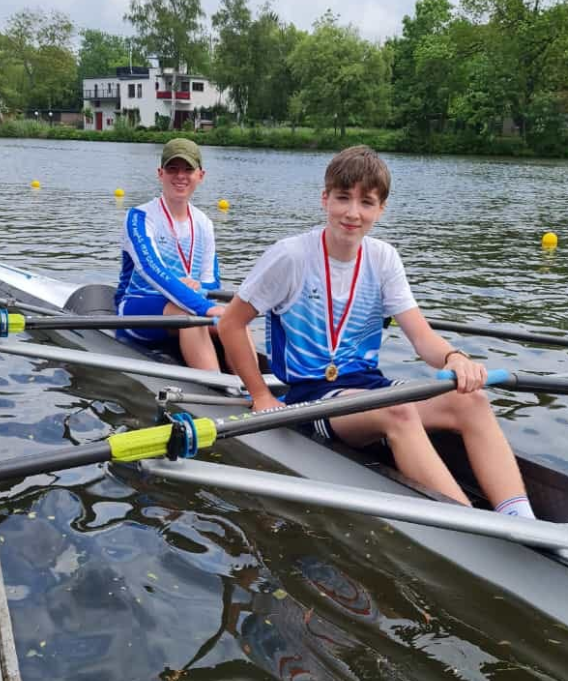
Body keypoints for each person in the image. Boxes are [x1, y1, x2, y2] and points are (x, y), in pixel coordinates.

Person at [218, 145, 535, 517]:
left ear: (381, 209)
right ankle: (476, 527)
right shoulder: (291, 257)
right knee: (398, 411)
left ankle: (520, 520)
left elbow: (421, 337)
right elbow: (231, 324)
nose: (353, 213)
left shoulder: (384, 258)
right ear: (325, 199)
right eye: (343, 198)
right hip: (312, 397)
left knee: (473, 401)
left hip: (369, 387)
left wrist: (455, 358)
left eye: (366, 202)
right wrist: (260, 394)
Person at [115, 138, 224, 371]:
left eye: (188, 169)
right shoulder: (139, 217)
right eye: (172, 169)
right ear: (160, 174)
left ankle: (258, 387)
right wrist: (204, 307)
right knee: (190, 314)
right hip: (137, 308)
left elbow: (212, 281)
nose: (180, 176)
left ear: (200, 176)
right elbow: (151, 269)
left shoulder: (204, 223)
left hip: (185, 305)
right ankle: (220, 388)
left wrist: (198, 287)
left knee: (234, 319)